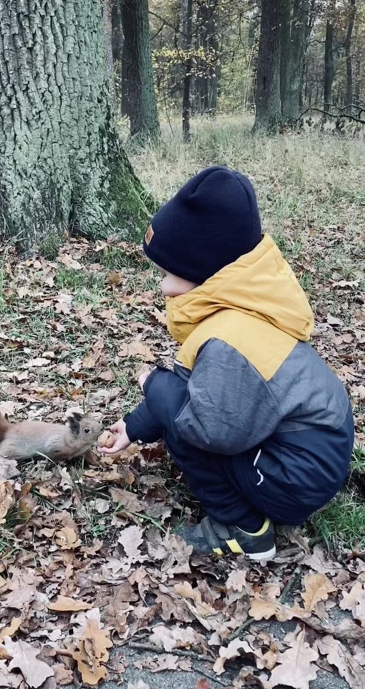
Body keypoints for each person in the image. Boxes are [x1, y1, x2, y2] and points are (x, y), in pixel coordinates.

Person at [99, 166, 354, 561]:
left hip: (298, 476)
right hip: (308, 455)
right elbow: (194, 385)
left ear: (208, 271)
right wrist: (134, 426)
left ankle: (245, 530)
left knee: (188, 431)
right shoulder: (242, 305)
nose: (162, 286)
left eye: (170, 273)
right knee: (179, 407)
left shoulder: (228, 342)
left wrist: (154, 385)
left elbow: (208, 428)